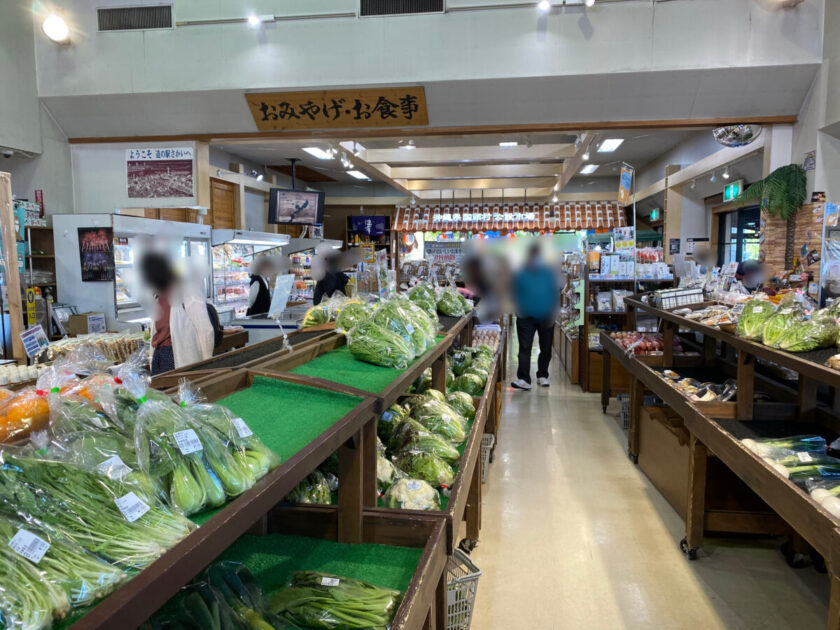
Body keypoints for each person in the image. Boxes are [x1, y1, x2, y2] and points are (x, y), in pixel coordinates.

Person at [139, 251, 215, 375]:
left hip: (176, 357)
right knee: (166, 393)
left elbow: (205, 330)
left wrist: (206, 364)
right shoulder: (161, 291)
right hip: (162, 356)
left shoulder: (187, 288)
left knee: (173, 393)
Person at [511, 243, 558, 390]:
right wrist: (517, 308)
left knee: (546, 348)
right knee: (524, 348)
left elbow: (554, 292)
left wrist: (553, 311)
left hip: (546, 314)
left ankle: (542, 375)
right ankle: (524, 379)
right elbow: (514, 291)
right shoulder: (520, 272)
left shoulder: (548, 272)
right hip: (525, 316)